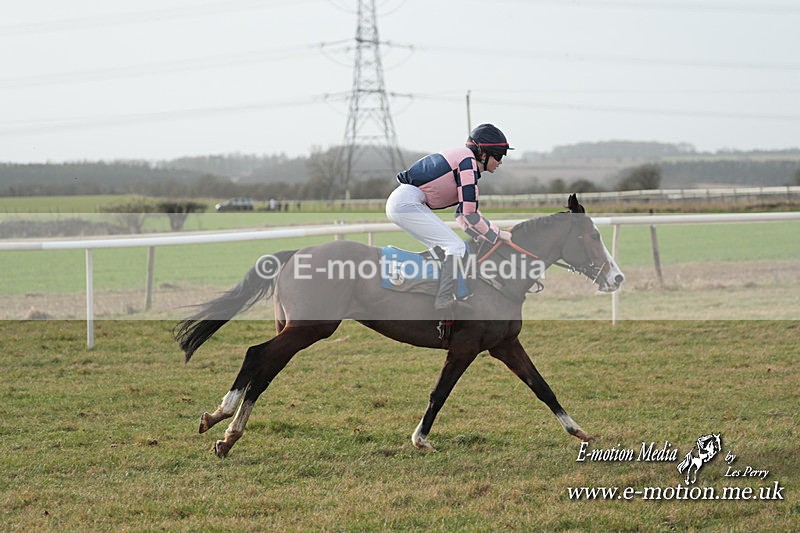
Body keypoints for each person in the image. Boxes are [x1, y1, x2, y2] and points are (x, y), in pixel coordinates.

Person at [386, 123, 514, 311]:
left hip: (405, 202)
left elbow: (461, 214)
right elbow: (470, 214)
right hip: (406, 202)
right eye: (499, 156)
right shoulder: (467, 162)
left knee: (443, 249)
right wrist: (497, 234)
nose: (501, 162)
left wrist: (482, 237)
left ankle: (426, 293)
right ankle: (444, 299)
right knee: (454, 246)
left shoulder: (468, 162)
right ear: (484, 154)